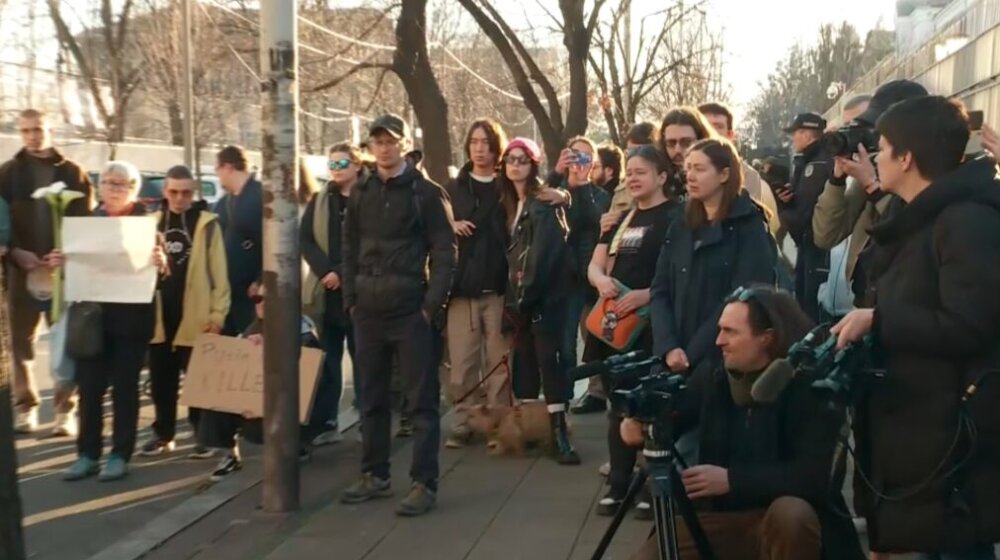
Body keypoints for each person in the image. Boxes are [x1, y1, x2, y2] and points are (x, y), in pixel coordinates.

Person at [832, 96, 1000, 560]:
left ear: (907, 157)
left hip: (953, 443)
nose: (875, 157)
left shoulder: (967, 220)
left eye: (883, 147)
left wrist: (879, 321)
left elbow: (971, 323)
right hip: (918, 435)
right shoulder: (915, 216)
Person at [624, 286, 865, 560]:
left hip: (791, 522)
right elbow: (673, 417)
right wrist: (640, 424)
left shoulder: (810, 387)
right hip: (725, 518)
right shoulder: (714, 375)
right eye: (720, 329)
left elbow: (811, 478)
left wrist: (731, 480)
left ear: (766, 338)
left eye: (730, 332)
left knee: (791, 514)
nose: (718, 341)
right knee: (650, 556)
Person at [340, 113, 456, 516]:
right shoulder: (362, 190)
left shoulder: (426, 193)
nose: (384, 147)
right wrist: (351, 299)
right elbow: (349, 244)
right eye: (377, 141)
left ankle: (424, 483)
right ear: (370, 146)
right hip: (368, 311)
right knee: (371, 399)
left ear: (404, 145)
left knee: (421, 403)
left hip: (410, 310)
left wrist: (430, 307)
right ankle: (375, 473)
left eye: (390, 140)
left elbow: (445, 252)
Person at [585, 144, 681, 517]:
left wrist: (646, 295)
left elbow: (677, 273)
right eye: (630, 170)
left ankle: (650, 483)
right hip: (614, 328)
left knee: (652, 406)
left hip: (652, 326)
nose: (633, 177)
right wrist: (600, 282)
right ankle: (618, 482)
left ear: (662, 176)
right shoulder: (621, 217)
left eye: (642, 171)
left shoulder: (676, 216)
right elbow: (595, 264)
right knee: (617, 406)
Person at [61, 161, 166, 482]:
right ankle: (87, 454)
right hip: (92, 319)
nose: (115, 189)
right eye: (109, 183)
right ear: (100, 186)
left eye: (122, 184)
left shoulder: (145, 225)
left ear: (134, 189)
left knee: (124, 388)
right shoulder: (87, 223)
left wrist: (160, 264)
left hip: (131, 322)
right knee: (90, 388)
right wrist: (61, 260)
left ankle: (120, 454)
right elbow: (74, 268)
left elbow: (160, 279)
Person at [0, 108, 92, 436]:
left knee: (66, 342)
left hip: (63, 272)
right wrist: (14, 253)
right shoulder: (8, 173)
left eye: (37, 129)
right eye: (25, 130)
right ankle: (26, 408)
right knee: (21, 345)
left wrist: (67, 253)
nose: (32, 136)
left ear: (50, 130)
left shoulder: (73, 173)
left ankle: (66, 411)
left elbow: (86, 224)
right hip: (20, 272)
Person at [651, 138, 776, 376]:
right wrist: (668, 346)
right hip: (672, 357)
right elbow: (660, 289)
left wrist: (693, 352)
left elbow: (746, 295)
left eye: (699, 169)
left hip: (721, 360)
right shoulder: (680, 223)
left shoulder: (748, 225)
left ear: (724, 174)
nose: (690, 176)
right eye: (687, 168)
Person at [812, 81, 929, 308]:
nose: (853, 137)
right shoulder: (868, 173)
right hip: (867, 298)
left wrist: (873, 187)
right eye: (848, 128)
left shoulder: (929, 173)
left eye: (863, 129)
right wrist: (836, 180)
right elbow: (826, 235)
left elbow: (912, 231)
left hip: (904, 305)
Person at [139, 165, 230, 456]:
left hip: (197, 313)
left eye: (186, 192)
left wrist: (217, 315)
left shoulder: (207, 223)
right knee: (161, 381)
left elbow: (220, 274)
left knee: (197, 380)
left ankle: (202, 435)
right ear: (165, 191)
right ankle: (163, 433)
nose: (179, 198)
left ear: (194, 193)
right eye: (174, 191)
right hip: (159, 316)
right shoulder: (150, 223)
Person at [500, 137, 579, 465]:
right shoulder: (509, 202)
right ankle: (532, 430)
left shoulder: (541, 202)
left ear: (533, 165)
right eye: (510, 159)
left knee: (551, 363)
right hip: (521, 299)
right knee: (527, 366)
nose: (515, 165)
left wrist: (527, 297)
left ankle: (560, 435)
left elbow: (543, 255)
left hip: (543, 299)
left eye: (522, 159)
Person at [193, 145, 264, 468]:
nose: (217, 174)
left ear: (227, 167)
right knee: (221, 368)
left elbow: (278, 241)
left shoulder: (261, 196)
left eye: (217, 169)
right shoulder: (224, 203)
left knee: (257, 369)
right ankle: (225, 446)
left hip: (255, 301)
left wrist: (264, 278)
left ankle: (271, 436)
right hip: (226, 297)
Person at [442, 119, 510, 449]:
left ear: (497, 148)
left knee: (499, 363)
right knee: (463, 364)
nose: (480, 148)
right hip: (462, 290)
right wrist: (450, 225)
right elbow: (433, 229)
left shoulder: (507, 186)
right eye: (474, 142)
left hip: (498, 288)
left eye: (486, 142)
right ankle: (464, 420)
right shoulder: (453, 188)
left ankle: (499, 423)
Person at [301, 143, 365, 447]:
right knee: (327, 361)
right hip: (325, 294)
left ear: (356, 165)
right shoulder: (320, 199)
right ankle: (328, 420)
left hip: (359, 290)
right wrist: (326, 270)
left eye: (341, 164)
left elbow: (370, 240)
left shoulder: (370, 197)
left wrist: (341, 272)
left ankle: (368, 416)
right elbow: (306, 239)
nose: (335, 170)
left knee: (363, 357)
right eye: (332, 165)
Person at [547, 137, 611, 401]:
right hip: (561, 276)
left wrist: (582, 186)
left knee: (595, 338)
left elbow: (595, 222)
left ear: (593, 163)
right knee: (564, 345)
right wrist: (557, 174)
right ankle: (563, 400)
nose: (579, 162)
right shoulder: (555, 189)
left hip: (589, 277)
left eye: (585, 157)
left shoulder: (600, 195)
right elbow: (556, 222)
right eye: (574, 155)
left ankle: (598, 393)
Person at [775, 112, 830, 322]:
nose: (792, 140)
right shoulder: (808, 161)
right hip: (810, 246)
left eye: (796, 134)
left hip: (816, 247)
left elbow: (804, 214)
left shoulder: (817, 165)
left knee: (810, 309)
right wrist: (787, 200)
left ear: (807, 135)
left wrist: (783, 212)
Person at [698, 102, 780, 235]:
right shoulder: (680, 171)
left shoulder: (747, 177)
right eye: (705, 126)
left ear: (730, 135)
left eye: (718, 126)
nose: (711, 132)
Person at [658, 107, 717, 200]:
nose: (677, 150)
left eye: (686, 142)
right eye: (671, 143)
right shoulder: (656, 180)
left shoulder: (717, 177)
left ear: (702, 140)